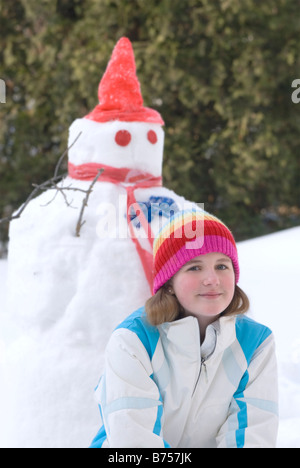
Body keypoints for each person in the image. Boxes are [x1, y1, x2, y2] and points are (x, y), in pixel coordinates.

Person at [90, 209, 278, 448]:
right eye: (194, 267)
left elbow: (253, 434)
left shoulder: (256, 342)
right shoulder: (133, 340)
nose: (212, 279)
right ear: (169, 283)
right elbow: (134, 440)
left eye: (222, 266)